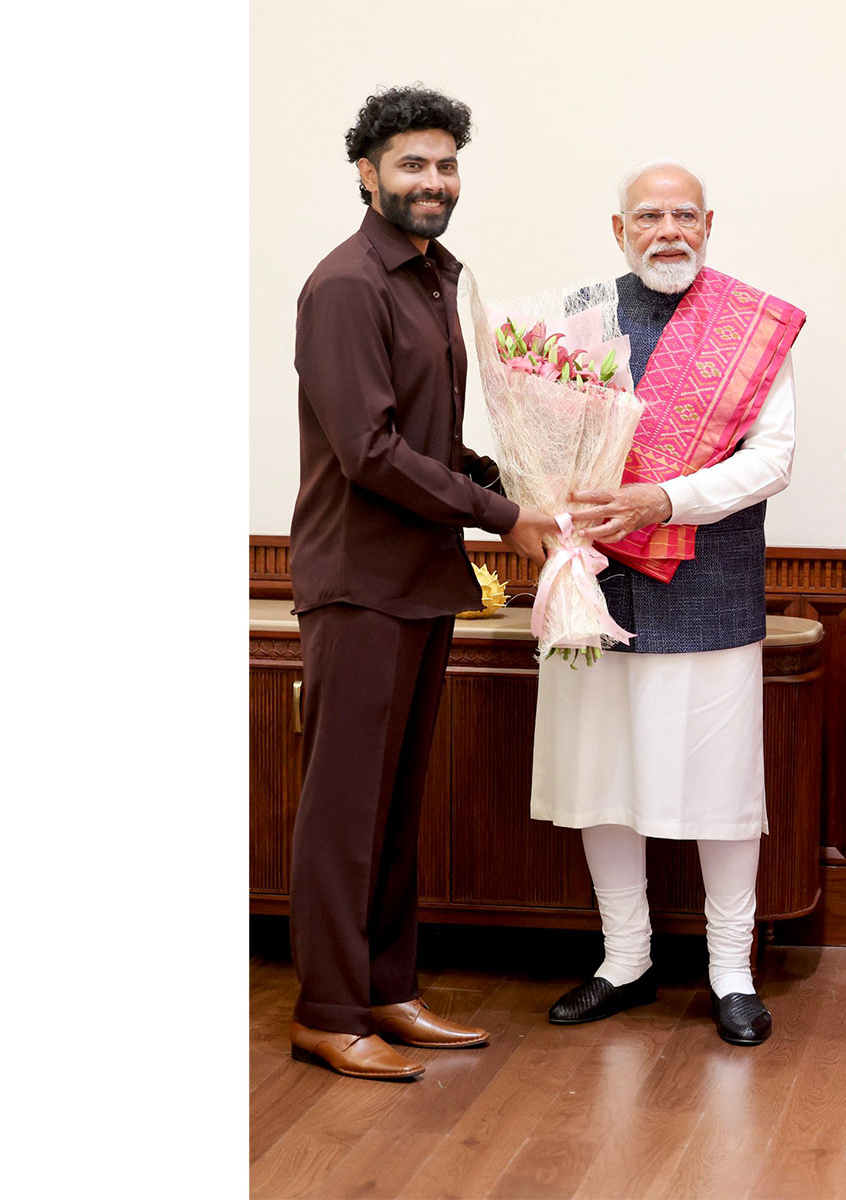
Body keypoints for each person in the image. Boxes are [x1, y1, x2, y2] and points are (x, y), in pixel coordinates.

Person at [286, 84, 558, 1080]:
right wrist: (504, 517)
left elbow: (423, 438)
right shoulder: (348, 284)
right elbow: (366, 451)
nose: (432, 181)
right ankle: (327, 1007)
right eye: (411, 164)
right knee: (343, 810)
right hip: (357, 581)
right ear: (366, 173)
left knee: (397, 805)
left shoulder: (436, 277)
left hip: (422, 577)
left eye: (444, 164)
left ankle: (387, 988)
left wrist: (506, 476)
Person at [528, 158, 805, 1046]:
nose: (668, 232)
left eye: (685, 216)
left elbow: (773, 460)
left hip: (710, 582)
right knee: (602, 777)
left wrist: (665, 500)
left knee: (722, 786)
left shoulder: (750, 326)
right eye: (648, 217)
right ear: (619, 230)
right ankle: (625, 959)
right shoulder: (578, 320)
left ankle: (731, 969)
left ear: (710, 223)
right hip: (596, 580)